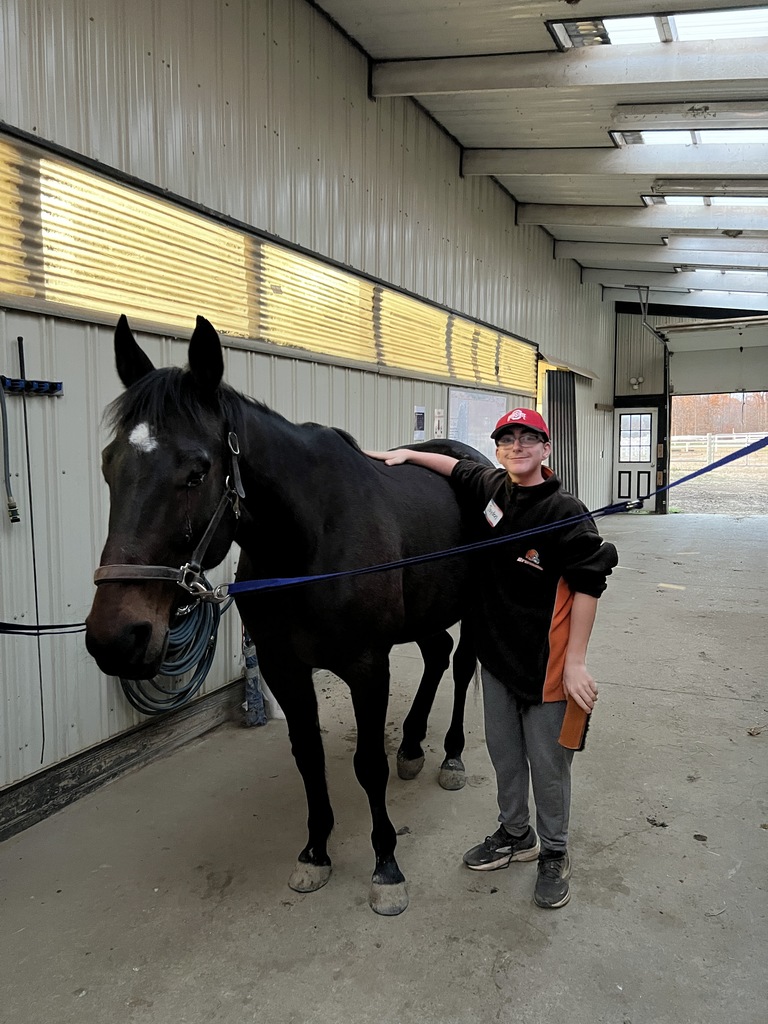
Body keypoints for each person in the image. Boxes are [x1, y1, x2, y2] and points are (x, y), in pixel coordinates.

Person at [366, 408, 618, 909]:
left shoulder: (565, 511)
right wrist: (405, 455)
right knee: (505, 756)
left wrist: (576, 663)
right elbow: (452, 467)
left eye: (529, 439)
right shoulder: (491, 488)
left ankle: (554, 852)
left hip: (546, 659)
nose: (517, 446)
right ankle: (514, 834)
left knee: (547, 765)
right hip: (496, 656)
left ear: (546, 449)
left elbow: (590, 583)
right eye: (507, 439)